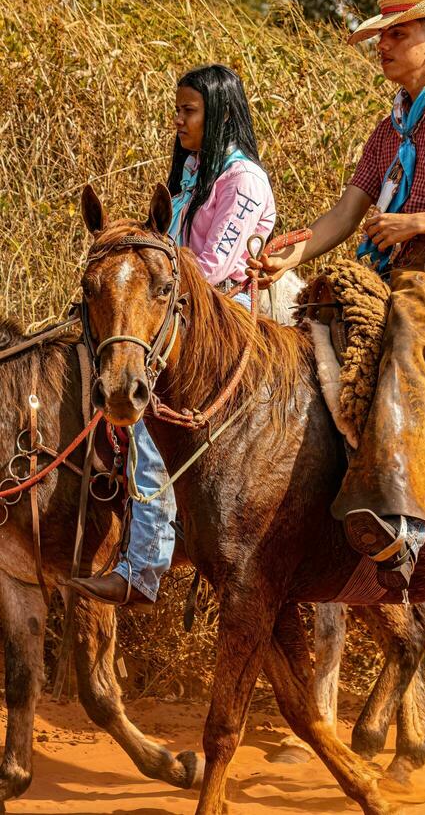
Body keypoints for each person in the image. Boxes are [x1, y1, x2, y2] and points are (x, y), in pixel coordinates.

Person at [249, 0, 425, 591]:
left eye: (398, 35)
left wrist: (420, 222)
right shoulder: (388, 128)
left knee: (407, 334)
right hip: (391, 261)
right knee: (308, 324)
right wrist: (286, 254)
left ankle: (403, 518)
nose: (384, 46)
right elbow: (345, 216)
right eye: (382, 36)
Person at [70, 64, 276, 606]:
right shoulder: (192, 174)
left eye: (189, 111)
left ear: (219, 114)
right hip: (179, 318)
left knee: (149, 425)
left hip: (223, 321)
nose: (179, 120)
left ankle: (143, 567)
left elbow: (209, 268)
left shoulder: (243, 182)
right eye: (179, 109)